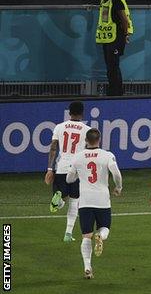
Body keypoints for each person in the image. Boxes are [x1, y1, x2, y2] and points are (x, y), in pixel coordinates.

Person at [66, 128, 123, 279]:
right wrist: (118, 187)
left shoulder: (78, 157)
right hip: (102, 200)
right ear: (99, 140)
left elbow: (69, 179)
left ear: (86, 140)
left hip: (85, 201)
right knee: (105, 228)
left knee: (86, 236)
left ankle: (87, 268)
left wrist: (77, 174)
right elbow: (116, 173)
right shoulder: (107, 155)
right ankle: (101, 236)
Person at [44, 101, 91, 242]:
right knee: (75, 201)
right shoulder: (87, 129)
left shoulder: (59, 127)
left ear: (69, 112)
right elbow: (89, 151)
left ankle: (59, 200)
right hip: (77, 169)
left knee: (62, 197)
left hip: (61, 167)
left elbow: (53, 148)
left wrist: (49, 169)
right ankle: (68, 234)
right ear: (82, 113)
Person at [96, 0, 133, 96]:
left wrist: (126, 34)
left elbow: (124, 19)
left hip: (117, 37)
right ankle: (113, 91)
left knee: (113, 67)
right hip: (107, 38)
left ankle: (116, 93)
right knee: (110, 67)